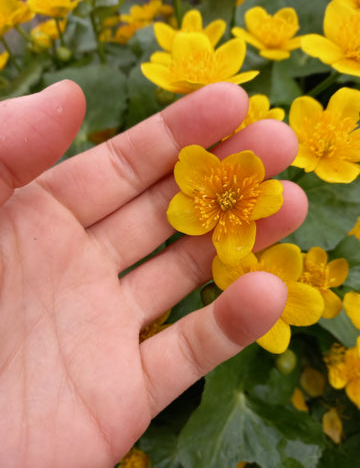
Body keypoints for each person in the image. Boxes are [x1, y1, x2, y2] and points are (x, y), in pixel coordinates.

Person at [0, 80, 307, 467]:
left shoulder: (246, 200)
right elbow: (182, 211)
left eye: (231, 195)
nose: (228, 197)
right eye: (226, 194)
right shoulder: (189, 205)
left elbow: (250, 206)